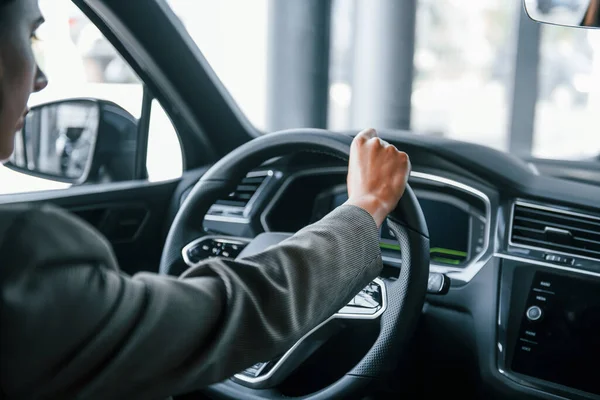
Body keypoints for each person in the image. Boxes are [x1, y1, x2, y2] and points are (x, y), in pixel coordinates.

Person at [0, 0, 411, 399]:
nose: (41, 79)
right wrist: (367, 205)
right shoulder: (19, 254)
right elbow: (228, 316)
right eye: (30, 35)